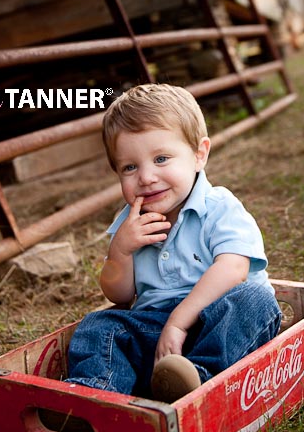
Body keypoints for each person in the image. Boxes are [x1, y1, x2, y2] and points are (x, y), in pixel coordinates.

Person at [65, 83, 282, 403]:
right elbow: (119, 295)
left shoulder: (218, 206)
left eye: (162, 158)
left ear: (199, 154)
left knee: (254, 300)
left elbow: (234, 268)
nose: (147, 176)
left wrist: (179, 323)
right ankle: (97, 394)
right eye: (130, 167)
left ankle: (196, 380)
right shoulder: (130, 224)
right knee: (99, 325)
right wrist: (121, 251)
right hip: (156, 331)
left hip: (217, 324)